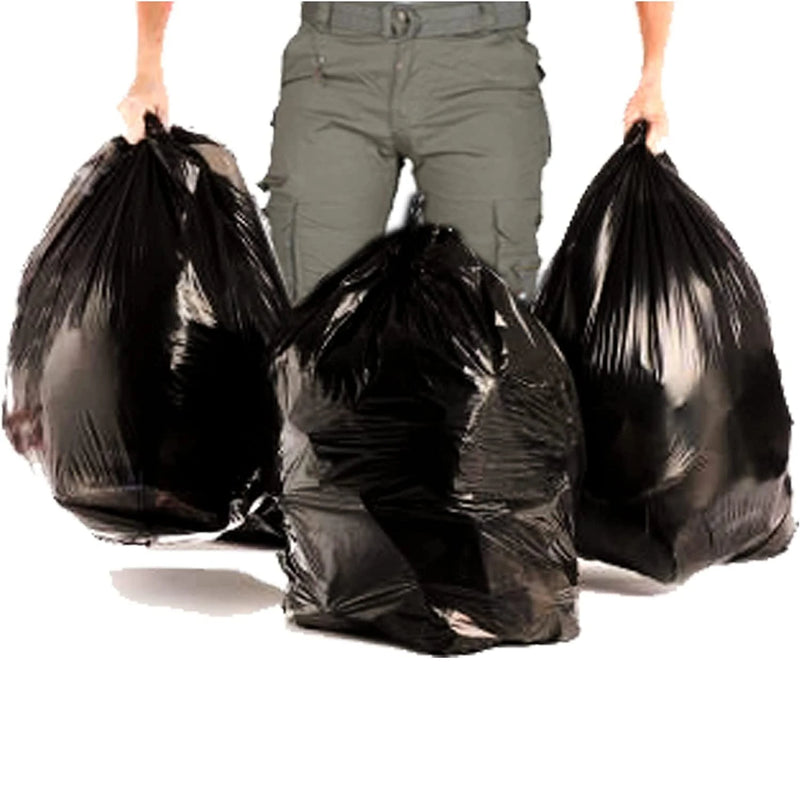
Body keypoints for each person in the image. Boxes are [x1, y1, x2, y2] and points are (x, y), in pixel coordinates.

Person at [119, 1, 673, 304]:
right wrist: (147, 68)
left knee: (487, 314)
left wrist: (652, 75)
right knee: (310, 306)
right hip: (334, 62)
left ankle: (475, 508)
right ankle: (317, 508)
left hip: (481, 68)